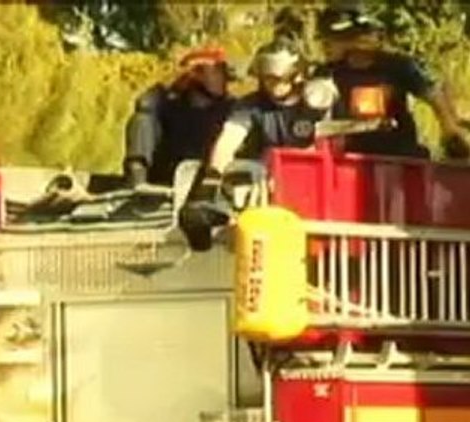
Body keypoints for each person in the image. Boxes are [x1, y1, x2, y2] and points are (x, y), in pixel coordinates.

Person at [178, 40, 334, 251]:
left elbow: (334, 143)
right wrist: (212, 177)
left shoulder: (317, 101)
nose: (273, 84)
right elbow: (229, 139)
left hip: (315, 184)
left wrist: (294, 165)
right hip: (264, 179)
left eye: (279, 78)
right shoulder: (251, 105)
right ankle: (211, 219)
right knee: (200, 211)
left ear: (297, 74)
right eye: (267, 78)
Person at [314, 2, 470, 159]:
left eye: (329, 41)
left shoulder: (397, 67)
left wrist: (450, 129)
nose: (324, 47)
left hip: (398, 158)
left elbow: (434, 94)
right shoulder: (326, 72)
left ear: (353, 37)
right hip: (346, 159)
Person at [122, 46, 235, 187]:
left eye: (221, 73)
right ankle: (137, 180)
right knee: (142, 120)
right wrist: (174, 81)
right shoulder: (170, 103)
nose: (221, 79)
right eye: (215, 72)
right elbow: (144, 104)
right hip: (167, 176)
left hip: (208, 180)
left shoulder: (232, 108)